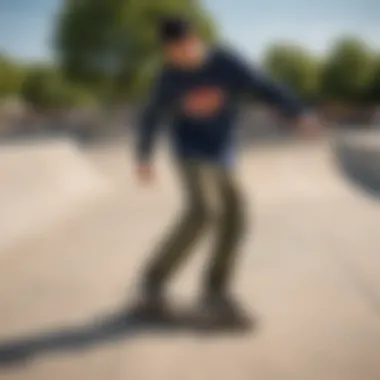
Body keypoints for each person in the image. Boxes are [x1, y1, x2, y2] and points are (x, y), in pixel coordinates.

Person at [133, 16, 321, 325]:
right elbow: (151, 114)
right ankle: (152, 284)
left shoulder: (227, 63)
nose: (178, 60)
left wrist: (298, 113)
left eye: (182, 52)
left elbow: (264, 87)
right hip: (189, 152)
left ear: (194, 41)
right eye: (171, 55)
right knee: (204, 210)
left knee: (237, 215)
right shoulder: (168, 75)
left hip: (222, 152)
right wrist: (144, 156)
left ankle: (215, 293)